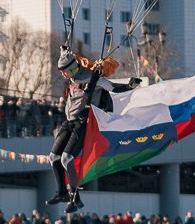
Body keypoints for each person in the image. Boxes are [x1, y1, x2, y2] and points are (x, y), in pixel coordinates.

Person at [46, 46, 140, 213]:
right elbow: (69, 57)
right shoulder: (73, 74)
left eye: (64, 71)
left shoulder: (92, 78)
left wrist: (130, 86)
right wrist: (64, 51)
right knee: (54, 157)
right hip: (68, 122)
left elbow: (113, 87)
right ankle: (62, 193)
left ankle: (75, 198)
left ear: (72, 68)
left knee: (66, 158)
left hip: (82, 124)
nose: (63, 75)